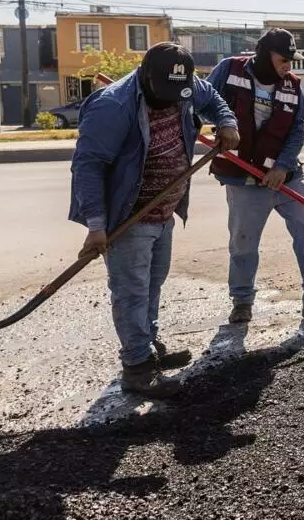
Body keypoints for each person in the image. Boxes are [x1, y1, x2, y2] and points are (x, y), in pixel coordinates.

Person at [70, 43, 240, 398]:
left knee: (152, 283)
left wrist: (226, 122)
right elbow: (88, 166)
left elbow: (214, 100)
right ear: (146, 77)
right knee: (131, 290)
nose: (171, 102)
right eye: (164, 95)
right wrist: (97, 225)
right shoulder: (112, 105)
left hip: (165, 211)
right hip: (128, 215)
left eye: (178, 95)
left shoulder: (186, 85)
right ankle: (136, 367)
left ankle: (147, 344)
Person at [206, 28, 304, 326]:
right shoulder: (229, 69)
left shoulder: (292, 85)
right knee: (243, 242)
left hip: (286, 176)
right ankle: (242, 303)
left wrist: (283, 167)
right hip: (244, 176)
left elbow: (297, 129)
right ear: (264, 55)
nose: (289, 65)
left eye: (291, 59)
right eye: (283, 59)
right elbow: (203, 103)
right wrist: (220, 126)